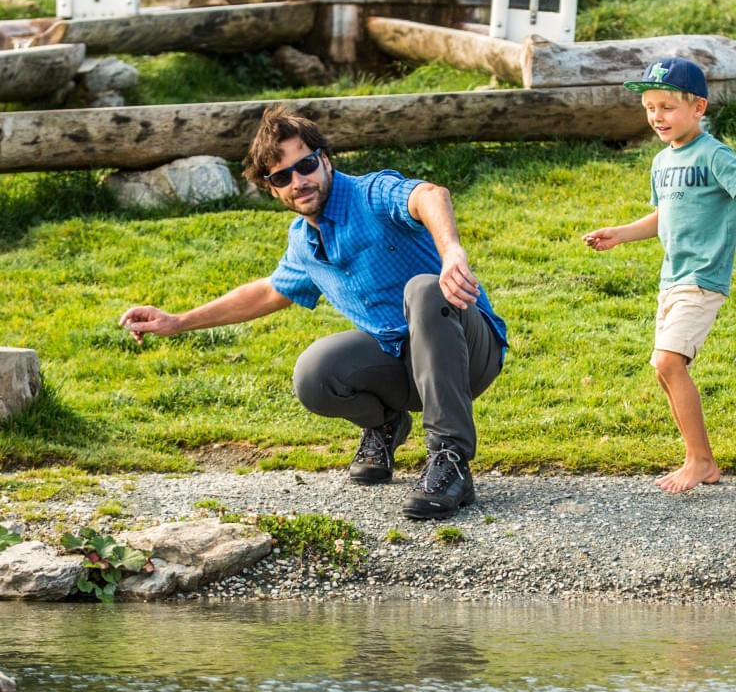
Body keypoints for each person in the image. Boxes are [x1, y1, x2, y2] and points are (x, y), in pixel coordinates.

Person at [119, 105, 506, 519]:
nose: (298, 181)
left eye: (305, 165)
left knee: (425, 289)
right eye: (282, 176)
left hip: (466, 354)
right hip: (406, 365)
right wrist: (177, 322)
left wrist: (451, 253)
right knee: (314, 373)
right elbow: (268, 292)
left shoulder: (370, 194)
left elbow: (430, 195)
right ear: (272, 189)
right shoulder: (304, 241)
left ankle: (449, 459)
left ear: (324, 159)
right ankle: (386, 425)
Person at [583, 55, 736, 493]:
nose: (656, 117)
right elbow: (662, 217)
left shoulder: (713, 153)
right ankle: (697, 457)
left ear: (698, 108)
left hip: (702, 277)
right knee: (664, 369)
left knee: (670, 361)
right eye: (650, 107)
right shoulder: (662, 161)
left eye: (667, 107)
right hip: (671, 279)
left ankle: (701, 460)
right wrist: (620, 234)